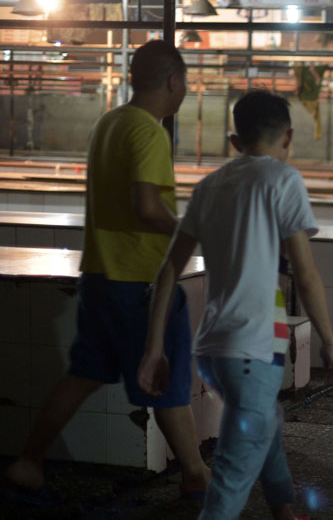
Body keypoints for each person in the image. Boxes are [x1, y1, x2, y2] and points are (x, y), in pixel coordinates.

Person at [3, 39, 210, 498]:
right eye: (186, 84)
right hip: (140, 283)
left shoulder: (109, 123)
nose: (186, 93)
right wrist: (191, 229)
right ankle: (196, 476)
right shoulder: (150, 132)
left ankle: (28, 460)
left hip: (99, 277)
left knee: (83, 376)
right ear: (173, 81)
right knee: (168, 383)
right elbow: (146, 206)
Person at [138, 90, 333, 519]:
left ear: (235, 142)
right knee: (232, 474)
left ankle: (283, 509)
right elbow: (306, 274)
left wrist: (154, 349)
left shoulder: (210, 186)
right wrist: (329, 339)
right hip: (254, 350)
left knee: (263, 424)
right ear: (287, 137)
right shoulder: (283, 180)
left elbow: (167, 273)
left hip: (213, 350)